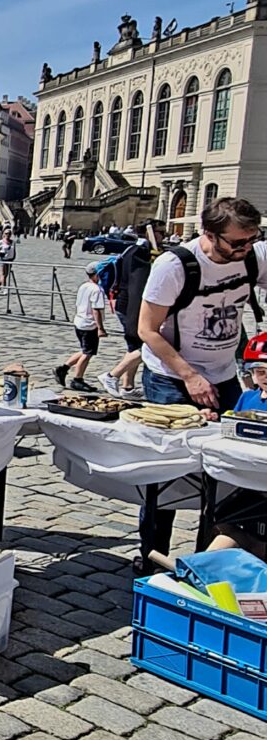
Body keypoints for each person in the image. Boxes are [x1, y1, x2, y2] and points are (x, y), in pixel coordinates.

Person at [135, 196, 267, 568]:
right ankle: (151, 553)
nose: (245, 248)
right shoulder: (174, 266)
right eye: (237, 242)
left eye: (252, 239)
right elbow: (147, 329)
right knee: (168, 472)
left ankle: (207, 560)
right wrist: (189, 375)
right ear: (210, 234)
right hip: (171, 374)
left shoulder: (253, 255)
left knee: (227, 470)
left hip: (223, 373)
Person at [99, 220, 166, 398]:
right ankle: (112, 375)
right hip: (133, 306)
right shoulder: (139, 252)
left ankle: (127, 387)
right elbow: (138, 287)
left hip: (131, 305)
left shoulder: (139, 250)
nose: (164, 235)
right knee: (148, 345)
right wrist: (139, 316)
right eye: (161, 232)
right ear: (149, 232)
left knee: (134, 346)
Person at [54, 262, 108, 392]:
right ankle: (77, 379)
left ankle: (63, 368)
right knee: (88, 353)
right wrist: (100, 327)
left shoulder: (84, 286)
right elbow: (96, 309)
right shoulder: (97, 290)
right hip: (89, 324)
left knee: (85, 349)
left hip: (79, 321)